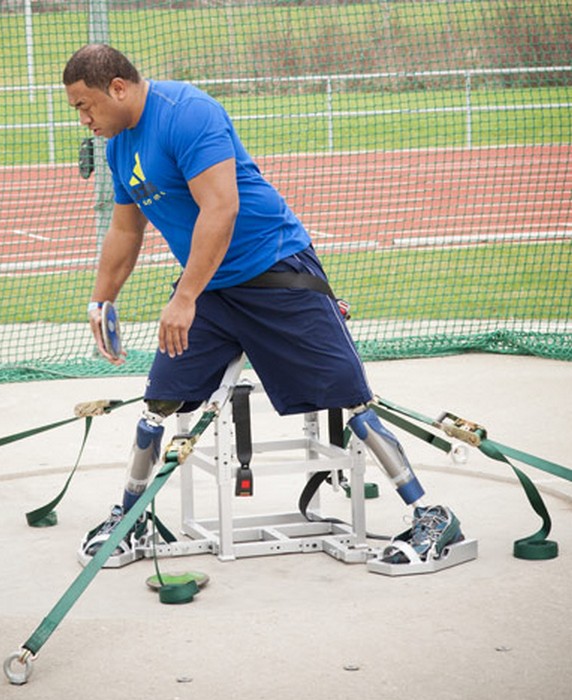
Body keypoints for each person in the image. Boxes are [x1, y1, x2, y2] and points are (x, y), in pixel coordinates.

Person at [63, 44, 464, 568]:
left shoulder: (188, 113)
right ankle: (133, 519)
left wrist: (184, 297)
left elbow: (221, 207)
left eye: (84, 105)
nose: (83, 118)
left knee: (351, 400)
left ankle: (433, 517)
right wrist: (102, 297)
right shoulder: (118, 147)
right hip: (210, 289)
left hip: (276, 273)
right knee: (158, 403)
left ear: (118, 87)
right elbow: (124, 227)